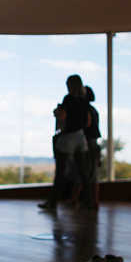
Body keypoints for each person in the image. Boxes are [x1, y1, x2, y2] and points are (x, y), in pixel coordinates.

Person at [39, 75, 88, 210]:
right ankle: (88, 202)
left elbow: (61, 116)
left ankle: (52, 203)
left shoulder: (68, 99)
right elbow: (86, 121)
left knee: (60, 172)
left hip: (68, 138)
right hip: (80, 137)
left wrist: (57, 113)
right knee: (83, 172)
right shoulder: (84, 100)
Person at [81, 85, 101, 210]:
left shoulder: (85, 109)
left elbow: (87, 124)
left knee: (88, 174)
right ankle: (94, 201)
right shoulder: (94, 110)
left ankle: (89, 201)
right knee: (93, 175)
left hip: (88, 143)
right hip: (94, 143)